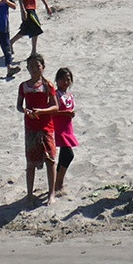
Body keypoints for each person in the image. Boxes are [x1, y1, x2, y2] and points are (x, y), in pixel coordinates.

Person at [16, 53, 59, 204]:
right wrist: (26, 111)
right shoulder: (24, 86)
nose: (34, 69)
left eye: (37, 66)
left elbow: (55, 106)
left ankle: (51, 193)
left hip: (47, 126)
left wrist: (42, 111)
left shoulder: (48, 85)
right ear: (27, 68)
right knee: (31, 162)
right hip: (31, 127)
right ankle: (29, 194)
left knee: (50, 159)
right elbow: (19, 106)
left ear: (43, 67)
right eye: (31, 66)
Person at [51, 68, 80, 198]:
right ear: (57, 80)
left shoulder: (68, 95)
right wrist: (65, 113)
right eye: (62, 79)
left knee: (64, 155)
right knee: (68, 154)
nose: (65, 82)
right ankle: (58, 183)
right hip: (59, 127)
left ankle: (58, 183)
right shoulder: (55, 94)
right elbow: (52, 111)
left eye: (68, 79)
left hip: (67, 128)